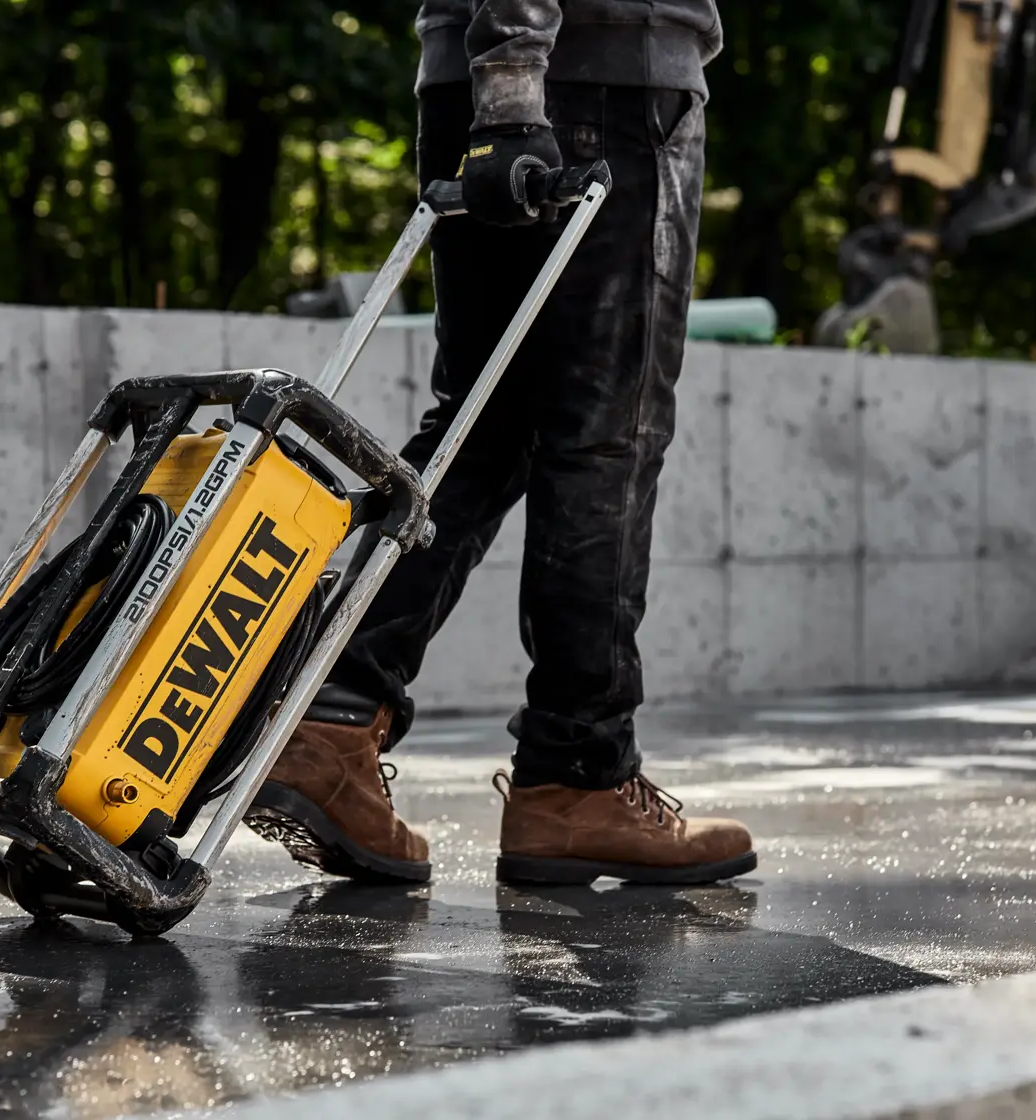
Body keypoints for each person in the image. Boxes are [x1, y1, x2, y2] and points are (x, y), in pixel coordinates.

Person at [243, 0, 756, 887]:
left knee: (487, 422)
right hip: (600, 87)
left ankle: (330, 717)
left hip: (479, 82)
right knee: (608, 439)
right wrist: (517, 85)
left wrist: (500, 86)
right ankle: (577, 776)